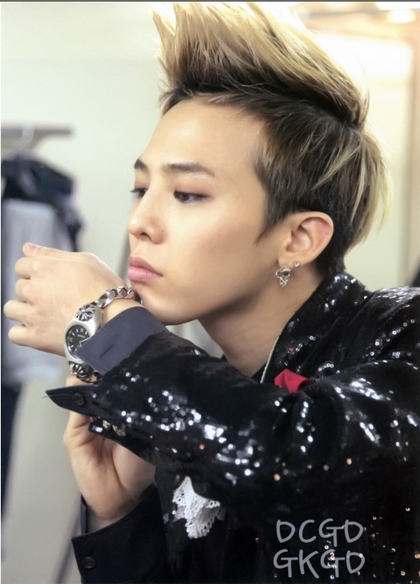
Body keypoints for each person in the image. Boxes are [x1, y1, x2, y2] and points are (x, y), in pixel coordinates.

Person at [4, 3, 420, 583]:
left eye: (188, 194)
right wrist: (119, 512)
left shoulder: (402, 333)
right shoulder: (197, 401)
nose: (139, 222)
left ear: (298, 238)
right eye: (141, 188)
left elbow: (290, 461)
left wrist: (109, 328)